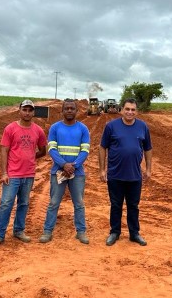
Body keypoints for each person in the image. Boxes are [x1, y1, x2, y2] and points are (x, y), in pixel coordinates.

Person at [0, 99, 47, 249]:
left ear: (33, 112)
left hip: (29, 174)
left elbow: (43, 150)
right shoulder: (10, 128)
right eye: (24, 110)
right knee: (6, 203)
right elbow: (4, 150)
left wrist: (32, 157)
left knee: (24, 203)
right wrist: (4, 173)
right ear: (19, 111)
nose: (27, 113)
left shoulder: (38, 130)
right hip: (13, 174)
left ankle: (19, 230)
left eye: (30, 110)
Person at [99, 98, 152, 246]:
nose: (130, 112)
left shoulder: (143, 127)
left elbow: (148, 148)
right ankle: (114, 232)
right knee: (116, 205)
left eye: (133, 110)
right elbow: (102, 147)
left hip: (135, 175)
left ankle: (134, 233)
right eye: (127, 109)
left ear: (137, 111)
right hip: (115, 174)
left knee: (133, 206)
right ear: (121, 110)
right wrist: (102, 170)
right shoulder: (111, 126)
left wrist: (148, 169)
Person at [39, 99, 91, 244]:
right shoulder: (55, 128)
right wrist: (63, 164)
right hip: (58, 171)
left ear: (76, 111)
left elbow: (85, 150)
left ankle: (81, 232)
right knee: (54, 202)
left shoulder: (83, 129)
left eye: (72, 108)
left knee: (79, 203)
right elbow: (52, 149)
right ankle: (47, 232)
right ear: (62, 111)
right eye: (66, 108)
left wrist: (73, 165)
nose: (69, 110)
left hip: (77, 172)